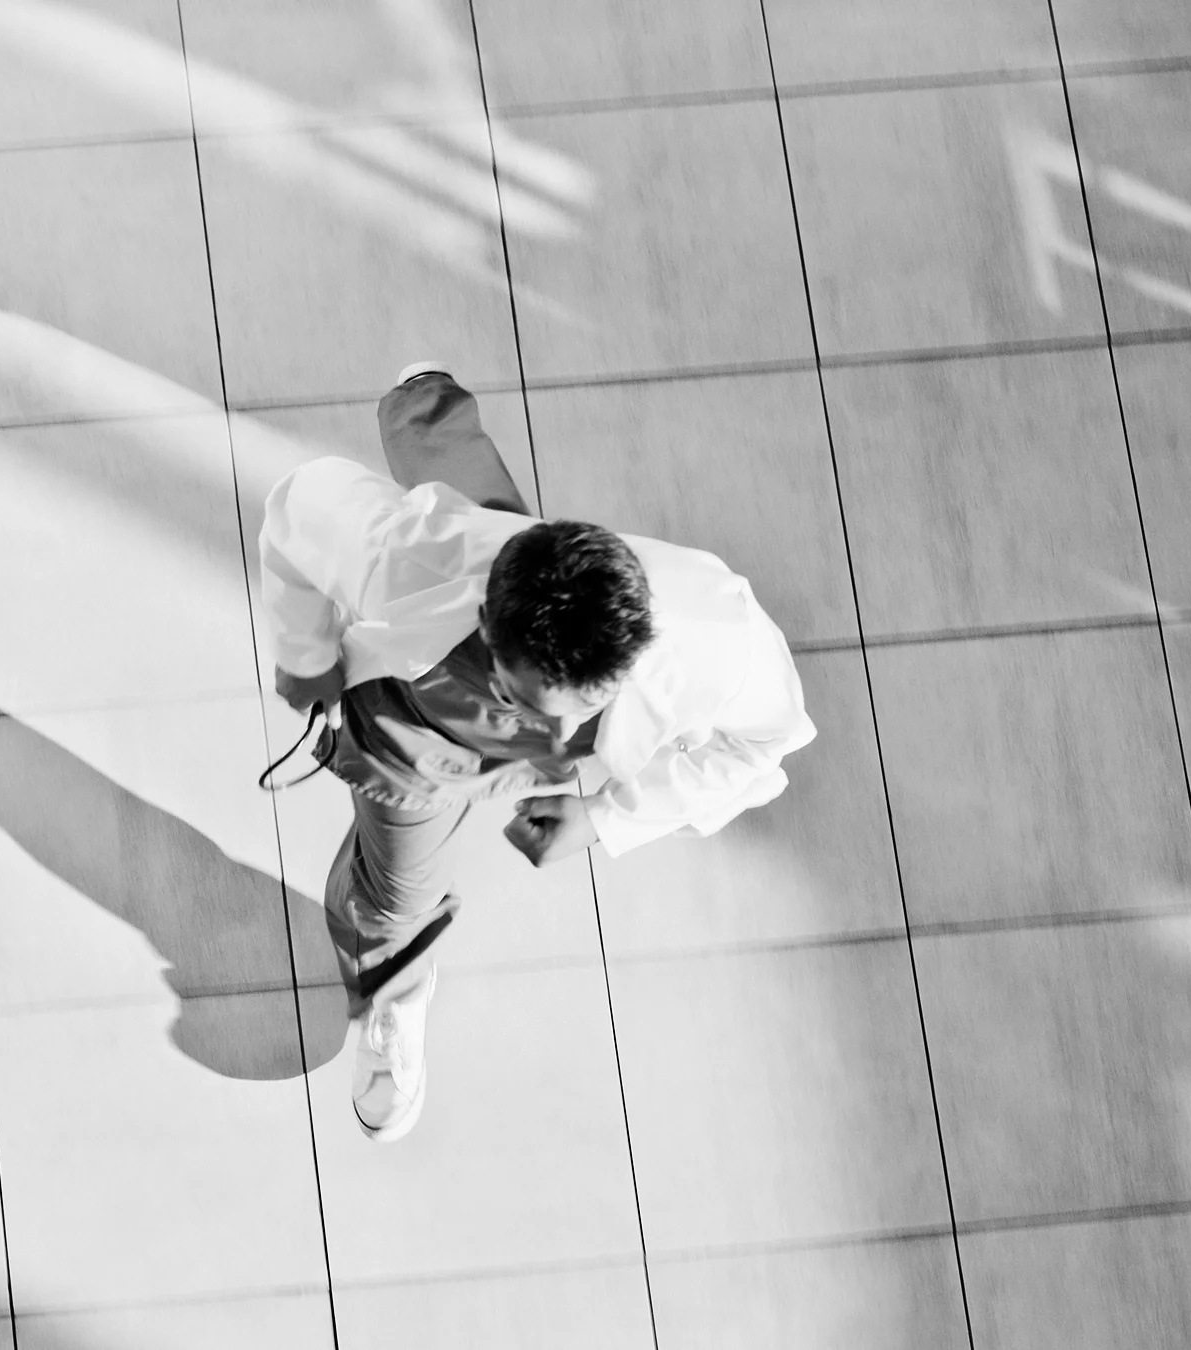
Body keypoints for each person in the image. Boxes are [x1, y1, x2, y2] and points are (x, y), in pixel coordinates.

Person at [259, 363, 816, 1141]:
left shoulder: (721, 641)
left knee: (489, 511)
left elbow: (767, 746)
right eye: (526, 704)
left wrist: (608, 816)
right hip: (421, 737)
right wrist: (308, 662)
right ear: (488, 626)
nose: (549, 742)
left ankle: (427, 408)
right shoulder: (408, 557)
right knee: (391, 901)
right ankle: (396, 995)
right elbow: (297, 502)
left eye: (581, 711)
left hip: (505, 564)